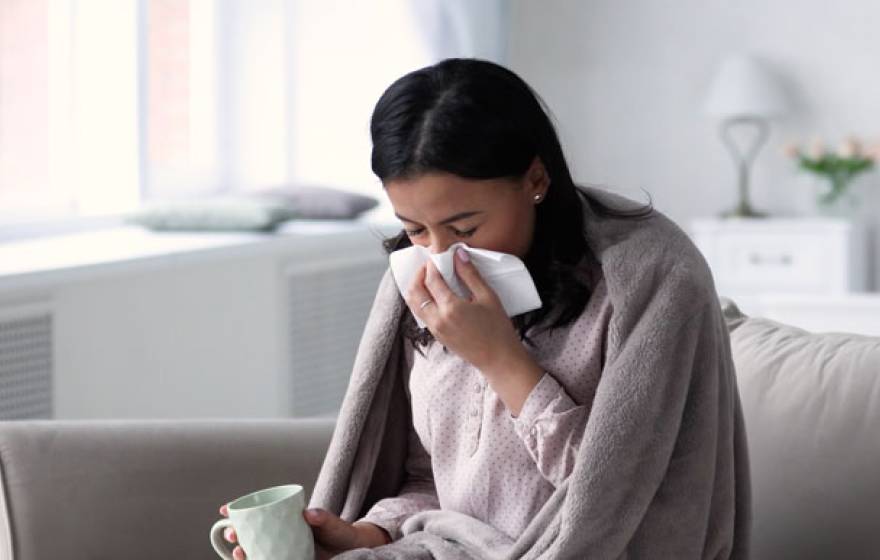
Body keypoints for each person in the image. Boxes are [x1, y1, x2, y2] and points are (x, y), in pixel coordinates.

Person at [220, 58, 749, 559]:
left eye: (465, 228)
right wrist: (365, 533)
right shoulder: (417, 277)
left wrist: (500, 359)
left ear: (536, 180)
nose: (439, 255)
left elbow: (622, 502)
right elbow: (433, 480)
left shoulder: (650, 277)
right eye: (414, 229)